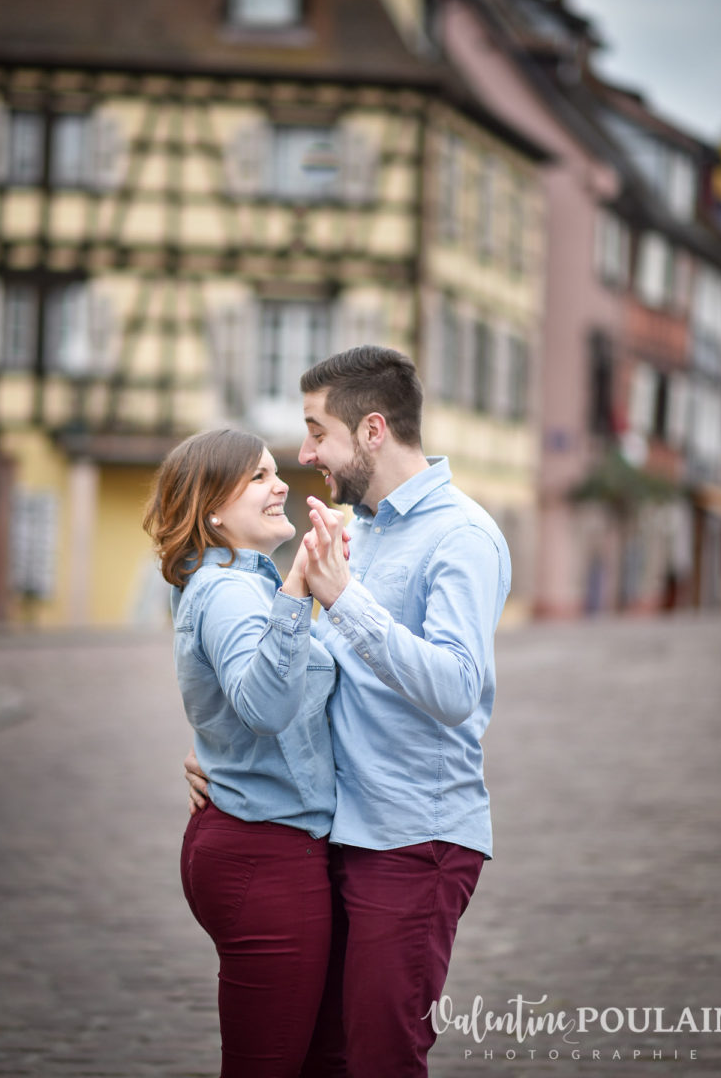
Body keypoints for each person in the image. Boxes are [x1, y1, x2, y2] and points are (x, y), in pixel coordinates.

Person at [187, 345, 511, 1078]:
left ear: (371, 430)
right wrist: (216, 742)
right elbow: (309, 679)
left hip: (412, 839)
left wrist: (345, 600)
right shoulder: (355, 530)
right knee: (325, 1058)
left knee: (381, 1058)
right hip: (334, 833)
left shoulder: (461, 536)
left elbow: (457, 688)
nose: (303, 453)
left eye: (314, 431)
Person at [143, 427, 343, 1078]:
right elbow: (262, 708)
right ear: (211, 509)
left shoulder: (232, 581)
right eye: (256, 477)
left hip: (258, 843)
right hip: (267, 855)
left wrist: (213, 754)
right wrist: (296, 594)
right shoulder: (232, 590)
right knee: (268, 1064)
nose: (280, 483)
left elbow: (235, 708)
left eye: (272, 470)